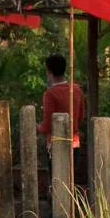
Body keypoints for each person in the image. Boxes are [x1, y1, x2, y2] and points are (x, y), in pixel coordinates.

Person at [40, 53, 87, 192]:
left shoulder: (50, 94)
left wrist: (38, 128)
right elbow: (81, 117)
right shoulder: (76, 90)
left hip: (55, 143)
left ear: (49, 72)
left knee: (57, 181)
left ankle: (58, 211)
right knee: (70, 180)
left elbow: (47, 125)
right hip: (74, 141)